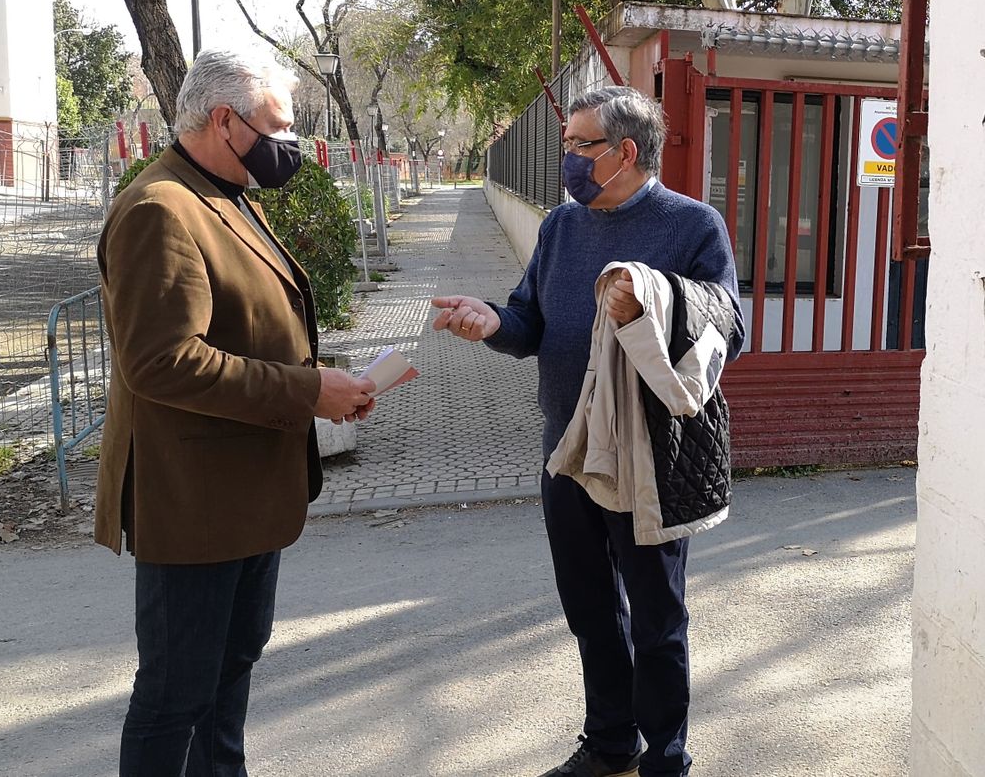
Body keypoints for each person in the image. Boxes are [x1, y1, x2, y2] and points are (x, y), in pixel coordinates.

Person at [433, 86, 744, 777]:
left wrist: (651, 303)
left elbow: (730, 327)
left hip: (647, 460)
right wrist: (490, 322)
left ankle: (666, 758)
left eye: (579, 145)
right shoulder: (561, 229)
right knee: (591, 612)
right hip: (565, 453)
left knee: (658, 624)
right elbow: (528, 324)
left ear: (625, 152)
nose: (567, 158)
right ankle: (610, 743)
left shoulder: (693, 226)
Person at [94, 47, 377, 776]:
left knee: (227, 678)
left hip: (245, 494)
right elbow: (162, 361)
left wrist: (314, 383)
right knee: (175, 695)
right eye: (277, 127)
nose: (290, 146)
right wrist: (309, 390)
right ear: (224, 119)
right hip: (192, 503)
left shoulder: (223, 190)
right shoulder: (162, 207)